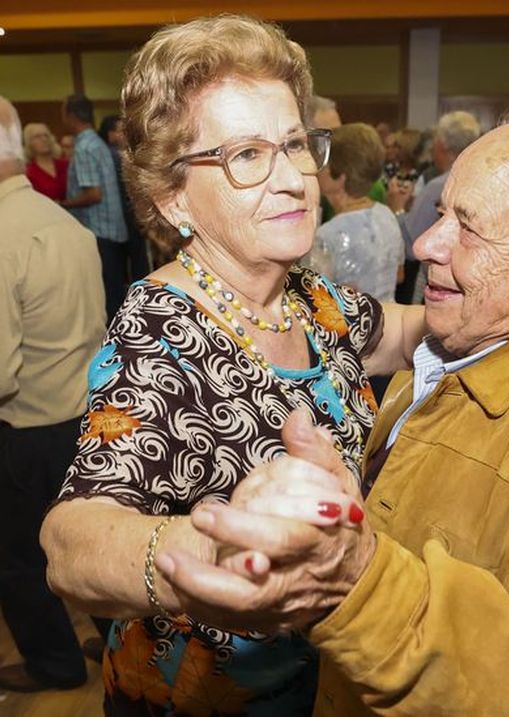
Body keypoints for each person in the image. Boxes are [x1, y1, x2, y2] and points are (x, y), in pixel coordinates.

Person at [150, 93, 509, 716]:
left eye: (472, 227)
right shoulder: (457, 346)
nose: (429, 244)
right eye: (441, 213)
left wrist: (359, 585)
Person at [40, 15, 425, 715]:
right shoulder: (162, 330)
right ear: (172, 197)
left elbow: (396, 331)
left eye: (294, 144)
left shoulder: (307, 296)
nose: (295, 179)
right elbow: (70, 541)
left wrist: (482, 299)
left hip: (321, 677)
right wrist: (220, 559)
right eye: (248, 155)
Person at [0, 89, 106, 692]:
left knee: (17, 561)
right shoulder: (62, 221)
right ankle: (125, 651)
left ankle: (54, 664)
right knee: (96, 547)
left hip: (32, 435)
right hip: (92, 423)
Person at [310, 122, 404, 302]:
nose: (318, 169)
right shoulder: (386, 215)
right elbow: (399, 275)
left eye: (325, 164)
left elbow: (317, 300)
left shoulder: (328, 235)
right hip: (390, 319)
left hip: (352, 326)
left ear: (340, 178)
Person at [399, 110, 481, 303]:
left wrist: (398, 210)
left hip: (437, 284)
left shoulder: (438, 186)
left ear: (441, 145)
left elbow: (412, 247)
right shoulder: (479, 179)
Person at [60, 94, 129, 321]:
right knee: (116, 292)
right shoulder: (97, 143)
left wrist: (63, 204)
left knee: (108, 299)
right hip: (114, 229)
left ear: (70, 116)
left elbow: (93, 194)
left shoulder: (83, 148)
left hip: (99, 231)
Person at [98, 113, 151, 276]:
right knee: (137, 257)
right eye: (121, 131)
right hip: (128, 213)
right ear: (110, 134)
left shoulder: (112, 153)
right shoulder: (115, 155)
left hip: (124, 214)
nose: (125, 135)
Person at [23, 122, 69, 202]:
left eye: (46, 135)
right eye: (37, 137)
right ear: (29, 143)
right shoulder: (28, 173)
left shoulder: (66, 165)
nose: (44, 139)